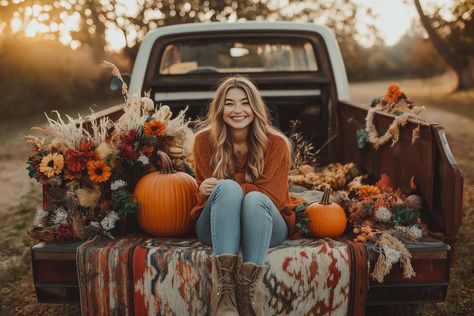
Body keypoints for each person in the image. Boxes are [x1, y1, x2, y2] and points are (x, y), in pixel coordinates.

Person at [190, 76, 298, 316]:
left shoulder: (276, 143)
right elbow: (205, 197)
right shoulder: (203, 141)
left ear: (255, 107)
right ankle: (225, 295)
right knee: (227, 190)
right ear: (220, 109)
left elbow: (273, 197)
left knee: (254, 199)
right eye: (229, 103)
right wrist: (202, 189)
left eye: (245, 103)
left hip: (265, 225)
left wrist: (229, 185)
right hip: (217, 226)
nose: (237, 110)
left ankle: (250, 294)